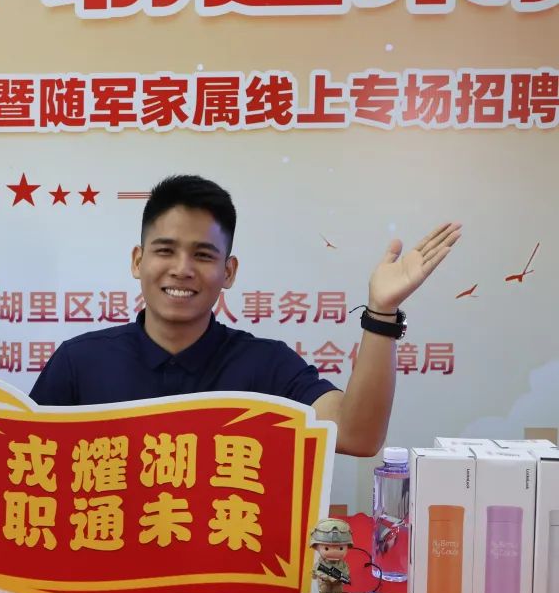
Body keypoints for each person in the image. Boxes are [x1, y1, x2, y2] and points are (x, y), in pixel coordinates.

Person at [29, 174, 461, 458]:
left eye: (203, 255)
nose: (182, 269)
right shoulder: (79, 362)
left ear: (229, 272)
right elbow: (21, 465)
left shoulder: (266, 366)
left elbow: (356, 435)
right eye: (165, 250)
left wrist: (381, 313)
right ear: (138, 261)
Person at [310, 518, 354, 593]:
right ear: (316, 546)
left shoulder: (342, 564)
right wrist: (328, 577)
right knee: (324, 589)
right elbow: (317, 571)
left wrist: (344, 576)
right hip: (324, 581)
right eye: (326, 548)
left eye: (340, 548)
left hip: (338, 582)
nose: (334, 552)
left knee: (337, 589)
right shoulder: (321, 563)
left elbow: (346, 570)